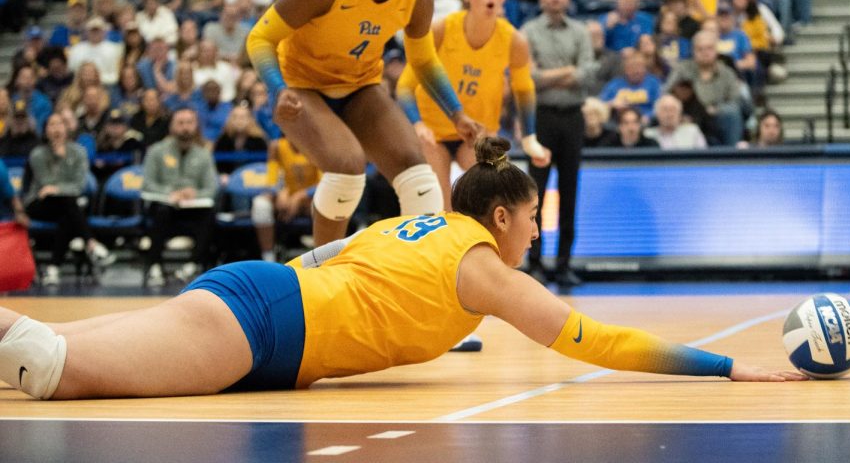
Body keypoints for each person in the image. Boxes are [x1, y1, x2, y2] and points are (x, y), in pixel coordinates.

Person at [0, 136, 800, 400]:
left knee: (37, 345)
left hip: (264, 303)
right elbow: (593, 340)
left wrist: (262, 290)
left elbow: (330, 256)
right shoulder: (485, 268)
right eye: (531, 217)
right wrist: (727, 366)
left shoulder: (418, 223)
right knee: (47, 364)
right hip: (264, 326)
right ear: (500, 216)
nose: (534, 228)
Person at [246, 0, 484, 247]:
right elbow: (259, 38)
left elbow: (425, 63)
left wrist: (457, 114)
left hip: (360, 85)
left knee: (420, 179)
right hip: (300, 87)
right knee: (347, 168)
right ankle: (322, 271)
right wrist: (277, 89)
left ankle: (417, 276)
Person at [396, 0, 551, 204]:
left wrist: (530, 138)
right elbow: (405, 87)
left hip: (479, 133)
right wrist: (416, 124)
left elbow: (523, 89)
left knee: (495, 202)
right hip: (432, 133)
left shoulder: (515, 40)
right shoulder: (441, 29)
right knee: (439, 207)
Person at [522, 0, 594, 287]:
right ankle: (534, 262)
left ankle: (564, 265)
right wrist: (566, 73)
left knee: (570, 192)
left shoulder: (580, 32)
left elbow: (588, 73)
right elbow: (529, 77)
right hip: (541, 119)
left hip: (572, 119)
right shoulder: (528, 32)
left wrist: (549, 76)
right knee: (532, 194)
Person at [18, 113, 114, 286]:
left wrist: (58, 188)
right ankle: (91, 243)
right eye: (51, 125)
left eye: (59, 124)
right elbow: (46, 184)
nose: (56, 129)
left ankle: (54, 268)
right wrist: (58, 157)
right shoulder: (38, 154)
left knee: (67, 215)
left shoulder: (78, 152)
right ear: (45, 130)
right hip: (38, 204)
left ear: (67, 128)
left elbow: (79, 185)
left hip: (65, 205)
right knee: (70, 204)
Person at [141, 107, 219, 286]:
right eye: (180, 123)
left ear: (196, 126)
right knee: (160, 211)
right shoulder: (156, 151)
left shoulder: (204, 154)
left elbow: (211, 188)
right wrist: (170, 193)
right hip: (166, 208)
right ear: (172, 126)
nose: (185, 127)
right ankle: (155, 266)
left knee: (210, 214)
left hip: (193, 210)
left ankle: (193, 264)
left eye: (189, 123)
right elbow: (147, 184)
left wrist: (194, 194)